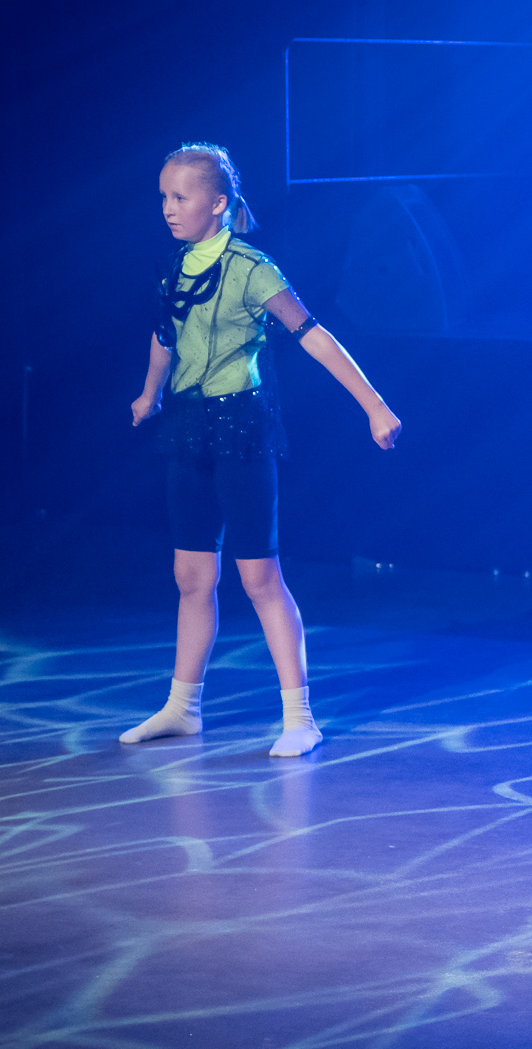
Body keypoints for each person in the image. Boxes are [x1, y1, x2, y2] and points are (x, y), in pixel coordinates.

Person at [122, 143, 401, 756]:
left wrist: (374, 404)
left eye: (181, 197)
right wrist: (149, 393)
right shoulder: (175, 265)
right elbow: (166, 336)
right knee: (191, 575)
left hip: (240, 429)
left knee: (258, 577)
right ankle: (182, 708)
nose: (168, 208)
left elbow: (314, 336)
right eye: (164, 197)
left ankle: (300, 716)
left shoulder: (251, 268)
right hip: (188, 427)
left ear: (218, 203)